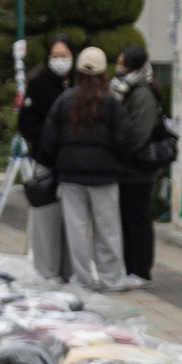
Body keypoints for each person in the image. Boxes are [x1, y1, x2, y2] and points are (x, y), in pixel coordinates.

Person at [37, 46, 135, 292]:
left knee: (77, 231)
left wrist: (56, 163)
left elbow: (49, 139)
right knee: (108, 231)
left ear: (78, 71)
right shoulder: (112, 101)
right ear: (104, 72)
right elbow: (125, 138)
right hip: (104, 176)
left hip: (71, 176)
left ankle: (82, 280)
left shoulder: (65, 100)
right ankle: (112, 279)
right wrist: (117, 162)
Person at [114, 33, 168, 287]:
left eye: (122, 61)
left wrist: (120, 152)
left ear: (132, 65)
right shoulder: (128, 89)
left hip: (138, 168)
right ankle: (130, 268)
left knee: (137, 219)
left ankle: (140, 270)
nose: (118, 65)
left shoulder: (142, 93)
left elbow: (139, 133)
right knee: (128, 218)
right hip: (129, 169)